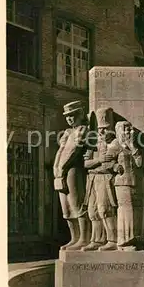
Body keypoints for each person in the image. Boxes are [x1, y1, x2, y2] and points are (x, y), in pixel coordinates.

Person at [53, 100, 90, 250]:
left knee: (76, 203)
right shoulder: (68, 132)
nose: (69, 119)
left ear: (80, 114)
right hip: (61, 171)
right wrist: (56, 168)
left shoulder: (82, 129)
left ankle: (84, 238)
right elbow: (61, 152)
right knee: (66, 208)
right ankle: (74, 238)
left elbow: (73, 151)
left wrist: (61, 168)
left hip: (72, 169)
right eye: (67, 116)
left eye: (72, 115)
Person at [82, 107, 118, 251]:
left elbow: (108, 165)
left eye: (105, 128)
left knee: (105, 209)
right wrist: (100, 160)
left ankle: (112, 240)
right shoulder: (93, 143)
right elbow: (85, 164)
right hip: (92, 179)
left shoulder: (115, 143)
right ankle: (97, 240)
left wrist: (96, 164)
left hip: (105, 179)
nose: (102, 131)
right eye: (100, 128)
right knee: (92, 211)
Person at [109, 121, 144, 250]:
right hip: (122, 183)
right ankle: (124, 241)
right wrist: (114, 166)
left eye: (130, 130)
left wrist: (132, 146)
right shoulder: (115, 146)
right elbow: (105, 162)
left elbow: (140, 164)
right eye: (126, 130)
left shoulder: (136, 147)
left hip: (136, 182)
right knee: (126, 211)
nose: (130, 133)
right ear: (119, 131)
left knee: (137, 210)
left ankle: (136, 238)